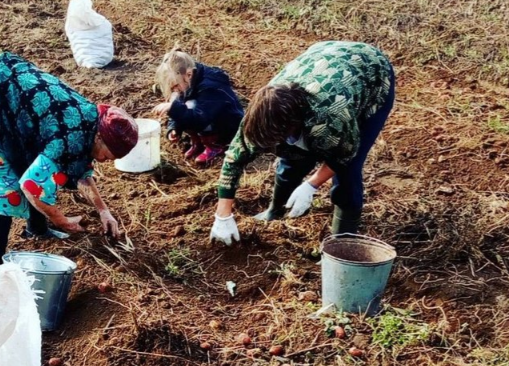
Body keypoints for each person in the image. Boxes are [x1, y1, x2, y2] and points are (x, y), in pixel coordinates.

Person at [0, 52, 138, 279]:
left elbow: (82, 172)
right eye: (109, 155)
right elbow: (32, 186)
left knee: (28, 161)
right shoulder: (70, 138)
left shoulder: (90, 119)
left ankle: (36, 228)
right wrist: (60, 219)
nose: (107, 161)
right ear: (99, 138)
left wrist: (104, 212)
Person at [209, 41, 395, 245]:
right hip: (322, 58)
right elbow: (233, 160)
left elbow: (345, 154)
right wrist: (222, 216)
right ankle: (275, 210)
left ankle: (341, 243)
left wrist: (312, 184)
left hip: (370, 72)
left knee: (347, 175)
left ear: (295, 125)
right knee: (290, 160)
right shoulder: (259, 116)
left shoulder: (329, 117)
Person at [152, 48, 244, 166]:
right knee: (182, 104)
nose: (175, 90)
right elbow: (178, 103)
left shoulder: (210, 87)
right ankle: (198, 142)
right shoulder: (188, 81)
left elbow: (200, 119)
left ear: (189, 74)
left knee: (188, 106)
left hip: (227, 126)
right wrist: (174, 127)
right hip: (203, 117)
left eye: (176, 85)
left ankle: (215, 145)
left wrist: (173, 109)